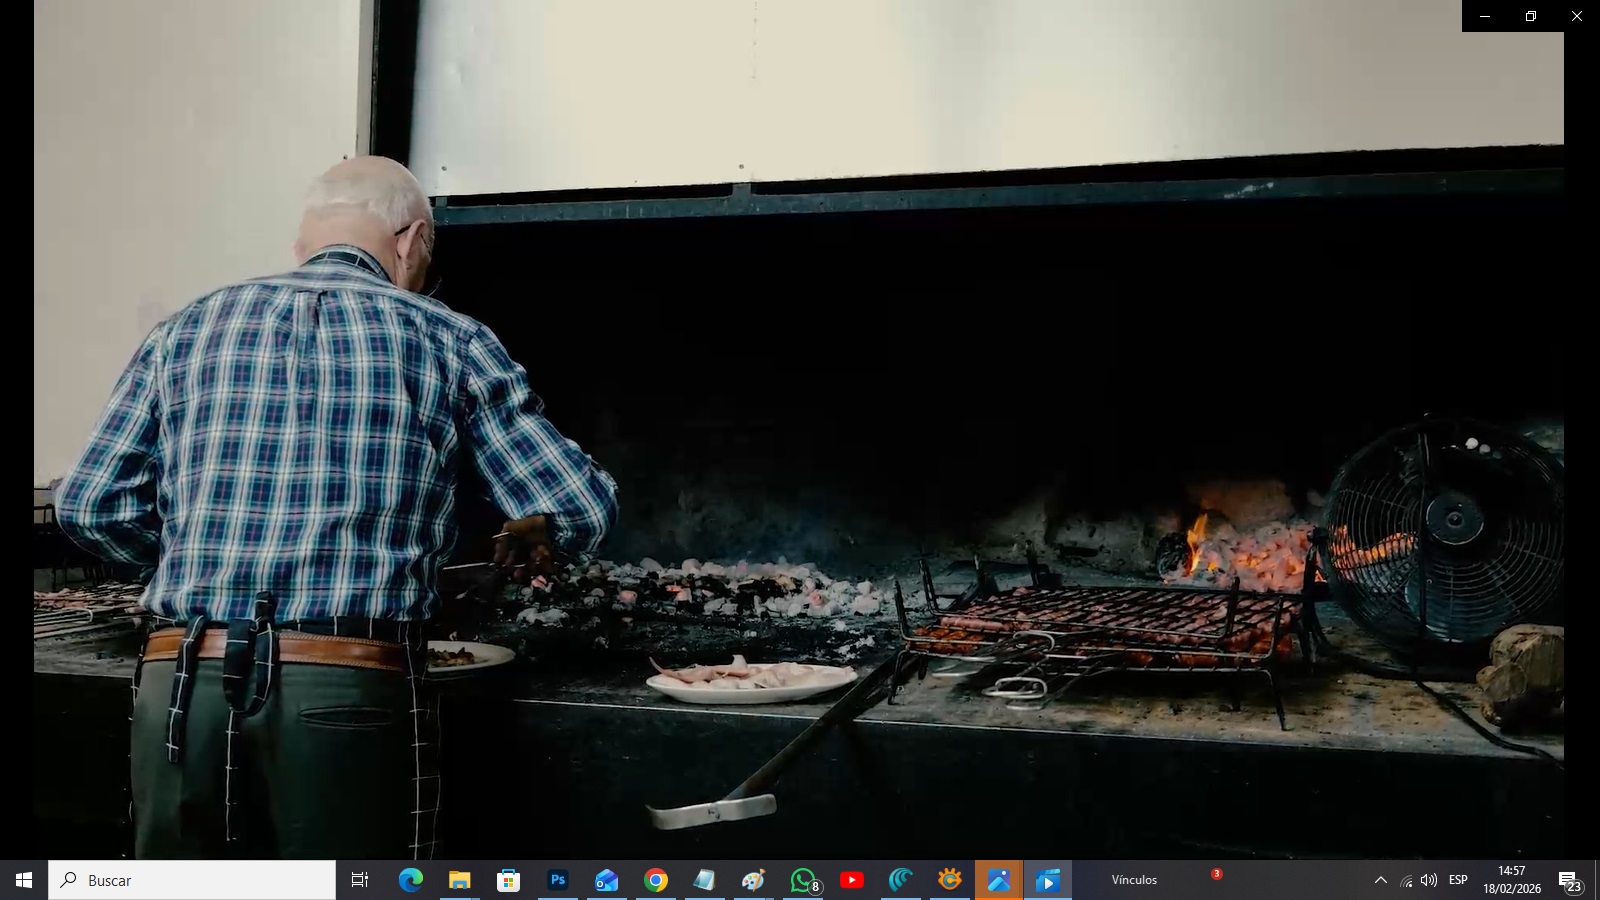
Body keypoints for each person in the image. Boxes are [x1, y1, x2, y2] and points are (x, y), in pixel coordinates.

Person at [52, 156, 619, 860]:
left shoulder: (184, 330)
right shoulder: (449, 338)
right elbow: (576, 505)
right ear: (412, 240)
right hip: (346, 683)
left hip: (182, 686)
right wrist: (534, 528)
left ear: (303, 244)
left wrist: (192, 563)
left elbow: (91, 503)